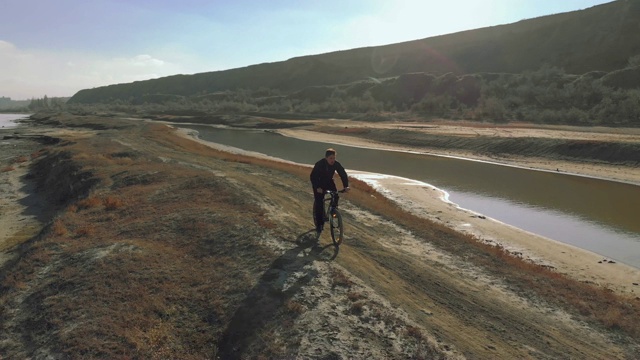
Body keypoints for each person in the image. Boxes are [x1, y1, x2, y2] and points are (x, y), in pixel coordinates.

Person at [310, 148, 349, 235]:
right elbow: (313, 176)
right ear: (326, 158)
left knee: (336, 195)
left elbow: (343, 174)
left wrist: (346, 186)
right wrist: (317, 187)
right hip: (318, 184)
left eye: (334, 158)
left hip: (329, 182)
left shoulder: (336, 164)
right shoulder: (320, 164)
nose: (333, 160)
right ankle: (319, 224)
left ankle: (333, 211)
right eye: (331, 158)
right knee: (319, 203)